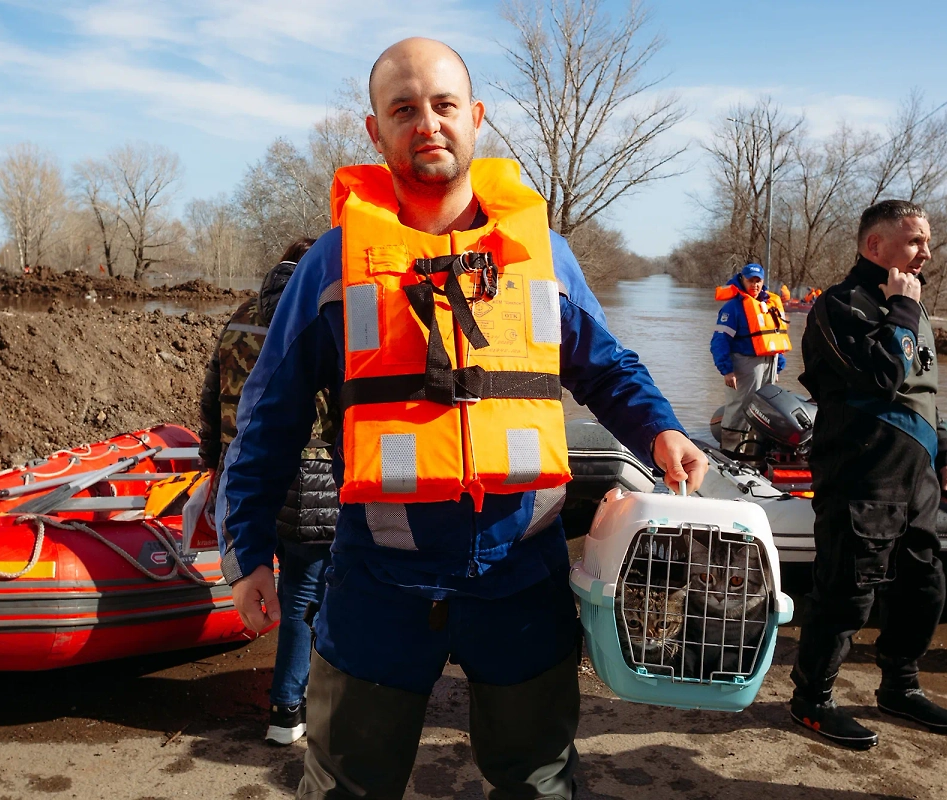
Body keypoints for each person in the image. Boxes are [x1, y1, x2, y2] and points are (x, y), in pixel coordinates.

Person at [215, 37, 707, 799]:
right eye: (403, 109)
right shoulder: (331, 266)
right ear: (375, 132)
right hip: (377, 580)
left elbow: (606, 367)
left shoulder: (546, 255)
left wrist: (661, 428)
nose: (428, 123)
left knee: (538, 782)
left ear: (475, 118)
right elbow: (268, 419)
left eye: (444, 105)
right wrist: (246, 549)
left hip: (521, 574)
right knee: (346, 783)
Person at [790, 199, 947, 750]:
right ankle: (812, 700)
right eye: (916, 240)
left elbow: (926, 391)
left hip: (916, 477)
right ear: (876, 246)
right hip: (861, 477)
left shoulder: (909, 306)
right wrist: (898, 311)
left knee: (925, 587)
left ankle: (900, 686)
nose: (928, 251)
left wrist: (945, 454)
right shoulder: (838, 306)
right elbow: (882, 377)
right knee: (847, 594)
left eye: (928, 240)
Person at [198, 238, 338, 746]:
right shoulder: (326, 314)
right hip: (313, 471)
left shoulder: (239, 317)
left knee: (274, 573)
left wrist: (213, 463)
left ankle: (297, 693)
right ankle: (288, 708)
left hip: (247, 470)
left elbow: (212, 396)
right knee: (307, 587)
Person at [710, 262, 791, 455]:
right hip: (744, 363)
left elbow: (775, 337)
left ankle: (756, 451)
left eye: (758, 281)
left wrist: (778, 366)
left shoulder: (769, 304)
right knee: (739, 406)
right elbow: (719, 341)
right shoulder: (733, 308)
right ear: (742, 280)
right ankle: (731, 450)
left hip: (768, 364)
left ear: (763, 282)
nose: (755, 284)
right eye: (750, 280)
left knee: (765, 406)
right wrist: (727, 370)